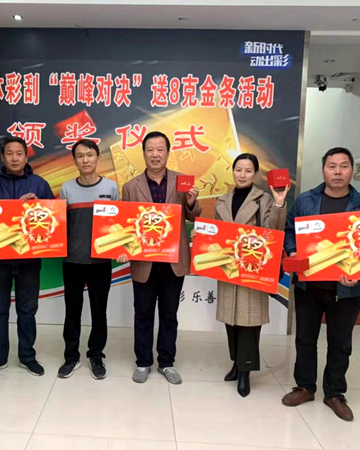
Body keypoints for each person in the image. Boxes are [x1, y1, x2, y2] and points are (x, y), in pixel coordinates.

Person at [281, 147, 360, 421]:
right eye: (332, 166)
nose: (337, 171)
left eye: (343, 166)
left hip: (346, 289)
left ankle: (334, 393)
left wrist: (359, 271)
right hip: (309, 286)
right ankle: (305, 387)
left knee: (340, 343)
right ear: (323, 169)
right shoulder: (305, 201)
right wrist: (293, 252)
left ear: (351, 170)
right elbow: (290, 232)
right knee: (305, 339)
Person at [193, 153, 288, 397]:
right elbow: (217, 233)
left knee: (249, 322)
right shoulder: (223, 200)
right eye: (238, 170)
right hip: (228, 267)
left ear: (255, 174)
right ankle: (236, 363)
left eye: (248, 171)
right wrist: (202, 237)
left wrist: (279, 204)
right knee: (231, 320)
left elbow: (274, 230)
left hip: (253, 268)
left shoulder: (264, 199)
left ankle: (245, 371)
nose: (242, 175)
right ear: (233, 171)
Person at [120, 131, 201, 385]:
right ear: (143, 153)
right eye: (150, 150)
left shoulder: (182, 182)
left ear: (168, 152)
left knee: (169, 313)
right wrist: (123, 248)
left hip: (173, 260)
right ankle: (143, 362)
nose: (155, 154)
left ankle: (167, 362)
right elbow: (125, 224)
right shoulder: (130, 187)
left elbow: (193, 216)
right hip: (143, 261)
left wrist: (191, 202)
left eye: (160, 149)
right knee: (143, 313)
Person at [0, 136, 54, 379]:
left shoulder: (39, 184)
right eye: (9, 153)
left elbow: (53, 218)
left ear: (26, 157)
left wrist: (40, 206)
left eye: (19, 153)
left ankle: (27, 356)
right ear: (2, 157)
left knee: (27, 311)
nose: (15, 158)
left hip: (29, 261)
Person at [57, 139, 120, 380]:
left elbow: (118, 224)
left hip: (100, 263)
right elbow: (60, 224)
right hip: (72, 261)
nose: (85, 160)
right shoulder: (67, 189)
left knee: (99, 312)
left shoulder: (111, 187)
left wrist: (120, 248)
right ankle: (71, 356)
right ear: (74, 161)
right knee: (72, 312)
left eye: (90, 155)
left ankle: (96, 355)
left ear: (98, 158)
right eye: (80, 156)